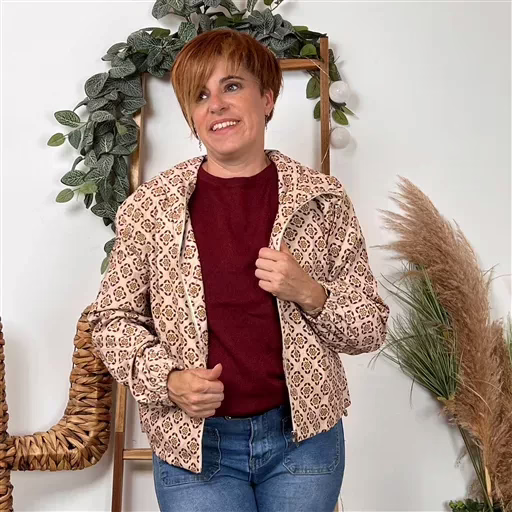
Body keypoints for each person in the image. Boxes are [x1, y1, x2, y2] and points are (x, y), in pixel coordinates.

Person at [87, 28, 390, 512]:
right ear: (191, 116)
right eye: (200, 96)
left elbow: (369, 328)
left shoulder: (322, 200)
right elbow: (111, 321)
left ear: (267, 98)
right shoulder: (153, 206)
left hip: (304, 441)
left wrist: (310, 292)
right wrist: (169, 380)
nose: (216, 106)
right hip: (193, 446)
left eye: (232, 86)